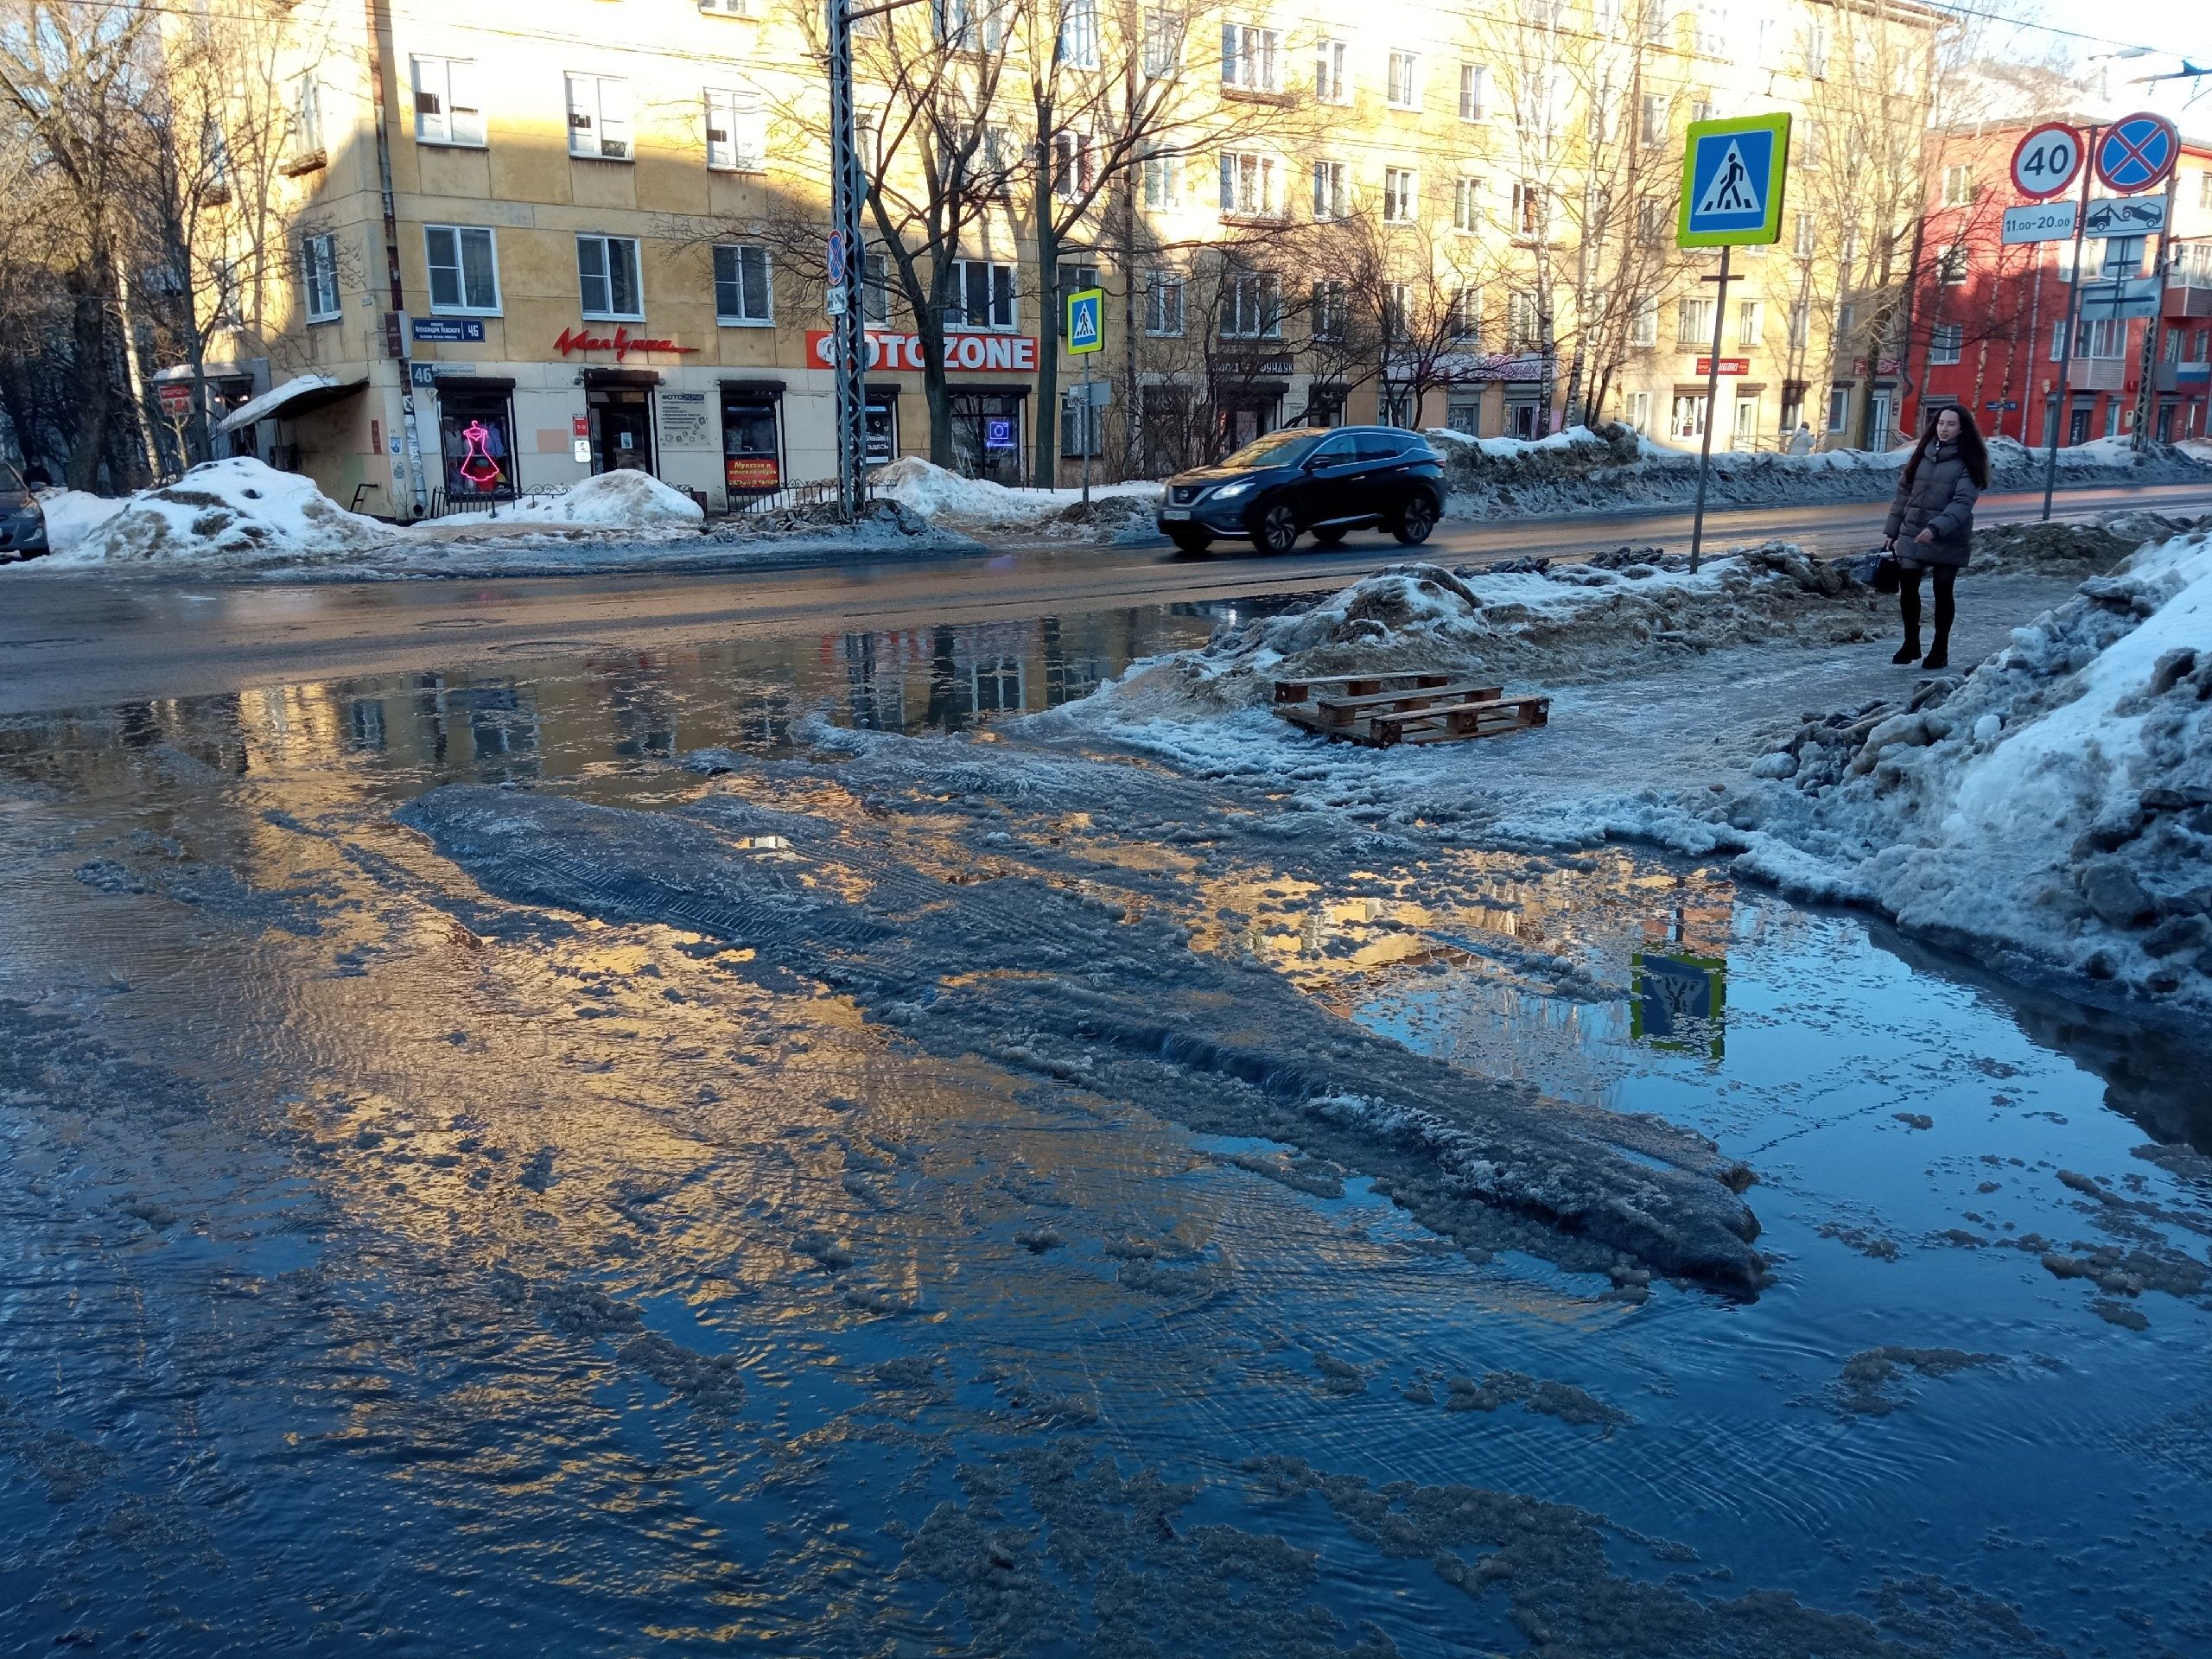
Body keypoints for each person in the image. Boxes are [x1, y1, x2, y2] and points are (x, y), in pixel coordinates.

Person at [1882, 404, 1988, 671]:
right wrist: (1891, 531)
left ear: (1962, 428)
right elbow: (1903, 495)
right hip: (1913, 531)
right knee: (1908, 586)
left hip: (1947, 535)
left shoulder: (1969, 462)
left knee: (1943, 591)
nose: (1944, 429)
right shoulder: (1921, 454)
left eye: (1951, 424)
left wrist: (1936, 528)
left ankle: (1940, 649)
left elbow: (1963, 503)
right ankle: (1911, 643)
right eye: (1941, 423)